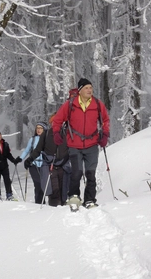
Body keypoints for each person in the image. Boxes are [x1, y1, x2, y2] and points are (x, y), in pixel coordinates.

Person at [52, 78, 110, 208]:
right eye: (86, 88)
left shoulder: (97, 104)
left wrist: (105, 134)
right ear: (80, 91)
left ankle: (90, 199)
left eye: (91, 87)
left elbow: (105, 120)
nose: (90, 90)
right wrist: (56, 133)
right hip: (74, 145)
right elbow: (57, 120)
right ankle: (74, 196)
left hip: (92, 144)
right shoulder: (70, 104)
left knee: (90, 173)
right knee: (76, 172)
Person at [23, 113, 71, 206]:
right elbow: (38, 149)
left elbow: (72, 149)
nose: (56, 123)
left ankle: (62, 210)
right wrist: (30, 159)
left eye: (58, 121)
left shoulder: (66, 133)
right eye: (54, 121)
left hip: (63, 166)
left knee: (63, 190)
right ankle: (53, 210)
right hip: (50, 165)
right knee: (54, 189)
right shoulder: (46, 134)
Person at [14, 121, 48, 204]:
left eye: (41, 128)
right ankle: (38, 202)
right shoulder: (32, 139)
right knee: (38, 183)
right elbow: (26, 150)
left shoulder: (47, 139)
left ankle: (42, 202)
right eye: (37, 128)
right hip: (33, 164)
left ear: (45, 129)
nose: (38, 130)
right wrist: (20, 159)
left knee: (43, 184)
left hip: (44, 165)